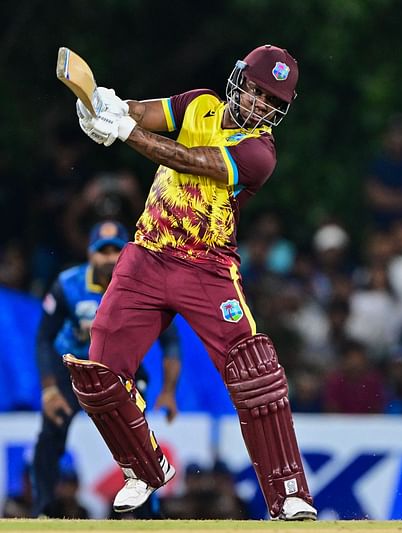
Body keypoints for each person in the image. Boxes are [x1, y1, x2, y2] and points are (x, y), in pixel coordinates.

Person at [69, 44, 316, 520]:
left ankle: (289, 492)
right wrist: (109, 106)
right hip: (146, 256)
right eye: (258, 92)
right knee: (100, 371)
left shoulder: (259, 153)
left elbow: (187, 159)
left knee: (255, 370)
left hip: (207, 268)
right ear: (239, 79)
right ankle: (143, 468)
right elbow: (148, 113)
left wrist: (124, 131)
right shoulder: (200, 103)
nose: (261, 105)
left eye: (273, 102)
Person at [33, 220, 182, 517]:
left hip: (123, 371)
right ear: (90, 254)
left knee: (136, 438)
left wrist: (168, 391)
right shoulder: (68, 285)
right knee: (51, 434)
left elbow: (171, 342)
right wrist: (50, 390)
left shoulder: (145, 288)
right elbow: (43, 338)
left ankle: (147, 514)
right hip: (74, 370)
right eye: (103, 251)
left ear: (128, 254)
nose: (110, 258)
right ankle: (44, 512)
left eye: (117, 250)